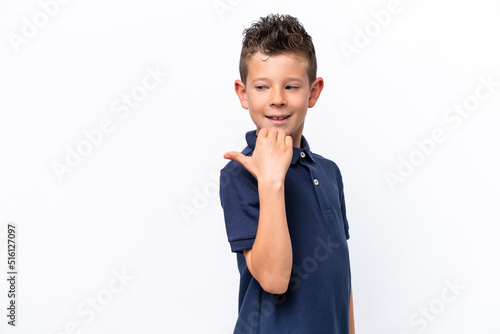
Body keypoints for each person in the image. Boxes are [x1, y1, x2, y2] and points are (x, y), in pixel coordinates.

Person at [219, 13, 355, 334]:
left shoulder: (329, 172)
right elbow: (275, 279)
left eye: (291, 86)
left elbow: (341, 277)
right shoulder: (240, 175)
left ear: (313, 91)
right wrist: (270, 179)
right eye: (262, 86)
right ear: (243, 93)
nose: (277, 99)